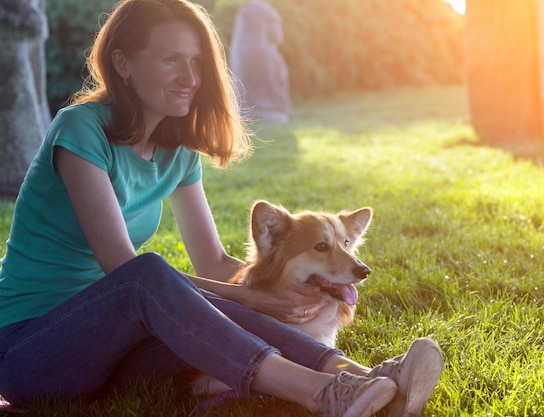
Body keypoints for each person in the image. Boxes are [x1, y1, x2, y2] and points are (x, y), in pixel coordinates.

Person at [0, 0, 444, 416]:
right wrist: (255, 299)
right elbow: (124, 272)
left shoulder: (177, 152)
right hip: (31, 351)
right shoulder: (81, 131)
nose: (190, 77)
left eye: (196, 62)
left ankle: (365, 378)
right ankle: (323, 393)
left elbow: (213, 263)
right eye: (171, 59)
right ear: (123, 64)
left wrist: (273, 294)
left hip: (112, 350)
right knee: (151, 275)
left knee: (201, 305)